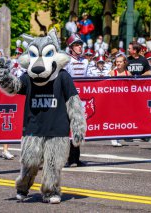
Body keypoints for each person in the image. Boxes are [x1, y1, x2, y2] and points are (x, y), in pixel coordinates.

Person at [64, 33, 88, 167]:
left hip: (81, 99)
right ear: (71, 47)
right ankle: (67, 157)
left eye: (80, 45)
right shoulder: (66, 60)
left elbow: (89, 79)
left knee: (78, 127)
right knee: (66, 128)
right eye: (77, 45)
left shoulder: (85, 61)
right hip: (67, 98)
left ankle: (75, 158)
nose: (79, 47)